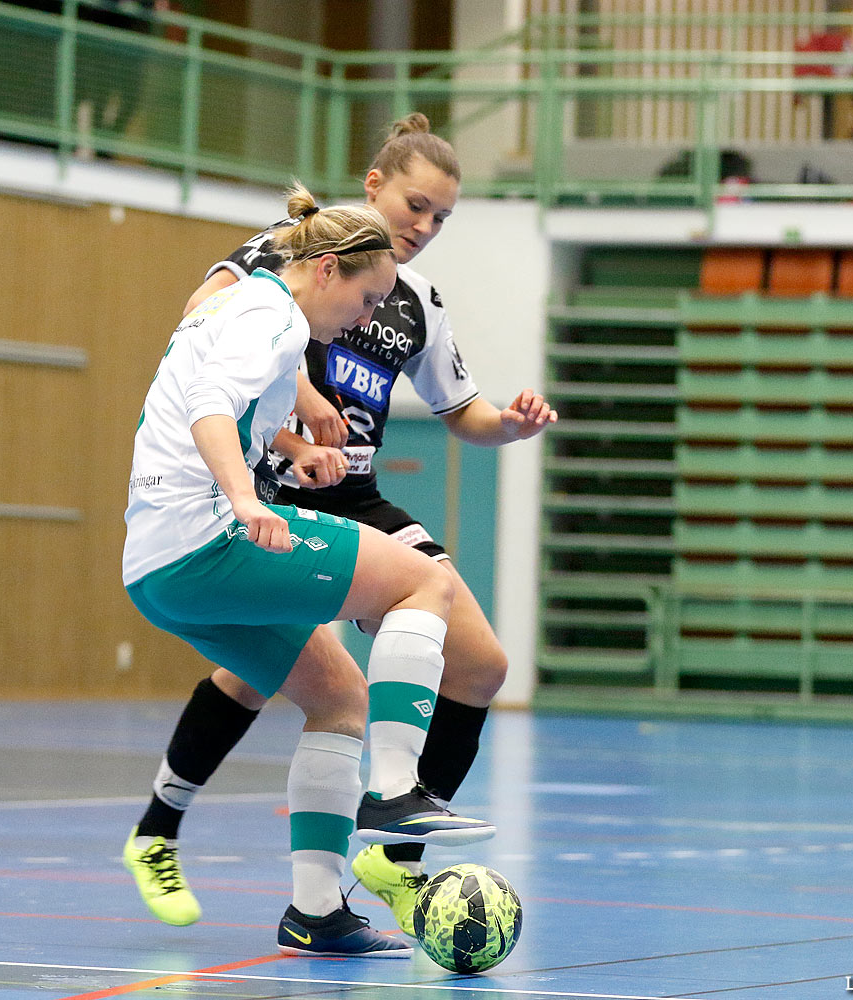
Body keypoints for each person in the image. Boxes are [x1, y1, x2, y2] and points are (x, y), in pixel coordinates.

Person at [123, 114, 556, 938]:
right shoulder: (284, 266)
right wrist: (294, 400)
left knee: (468, 668)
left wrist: (514, 424)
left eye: (442, 218)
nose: (425, 227)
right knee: (268, 670)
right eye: (415, 205)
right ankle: (161, 828)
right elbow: (199, 335)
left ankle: (373, 875)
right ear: (373, 188)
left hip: (341, 494)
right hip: (252, 496)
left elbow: (465, 413)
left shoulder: (415, 304)